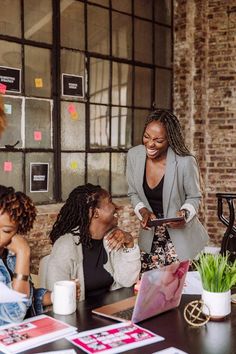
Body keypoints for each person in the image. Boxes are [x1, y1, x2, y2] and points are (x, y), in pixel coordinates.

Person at [127, 109, 209, 272]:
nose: (150, 144)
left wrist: (184, 215)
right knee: (151, 291)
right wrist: (143, 212)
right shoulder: (134, 156)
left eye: (158, 140)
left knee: (182, 292)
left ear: (169, 139)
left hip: (182, 240)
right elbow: (133, 193)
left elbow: (194, 197)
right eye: (147, 136)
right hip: (150, 240)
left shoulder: (185, 161)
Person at [45, 183, 141, 301]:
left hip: (109, 311)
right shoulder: (65, 246)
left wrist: (129, 242)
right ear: (95, 213)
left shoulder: (112, 238)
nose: (117, 207)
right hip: (77, 315)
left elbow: (128, 281)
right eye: (110, 201)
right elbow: (59, 297)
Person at [0, 185, 52, 325]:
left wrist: (54, 297)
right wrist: (24, 253)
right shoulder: (20, 252)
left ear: (17, 231)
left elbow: (27, 297)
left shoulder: (10, 254)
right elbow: (13, 314)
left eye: (5, 230)